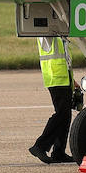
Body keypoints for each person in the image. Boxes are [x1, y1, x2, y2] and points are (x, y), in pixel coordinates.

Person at [29, 35, 74, 164]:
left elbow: (65, 59)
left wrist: (72, 80)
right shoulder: (47, 35)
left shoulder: (59, 35)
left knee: (66, 115)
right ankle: (40, 145)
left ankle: (59, 152)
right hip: (56, 78)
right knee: (61, 114)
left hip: (64, 78)